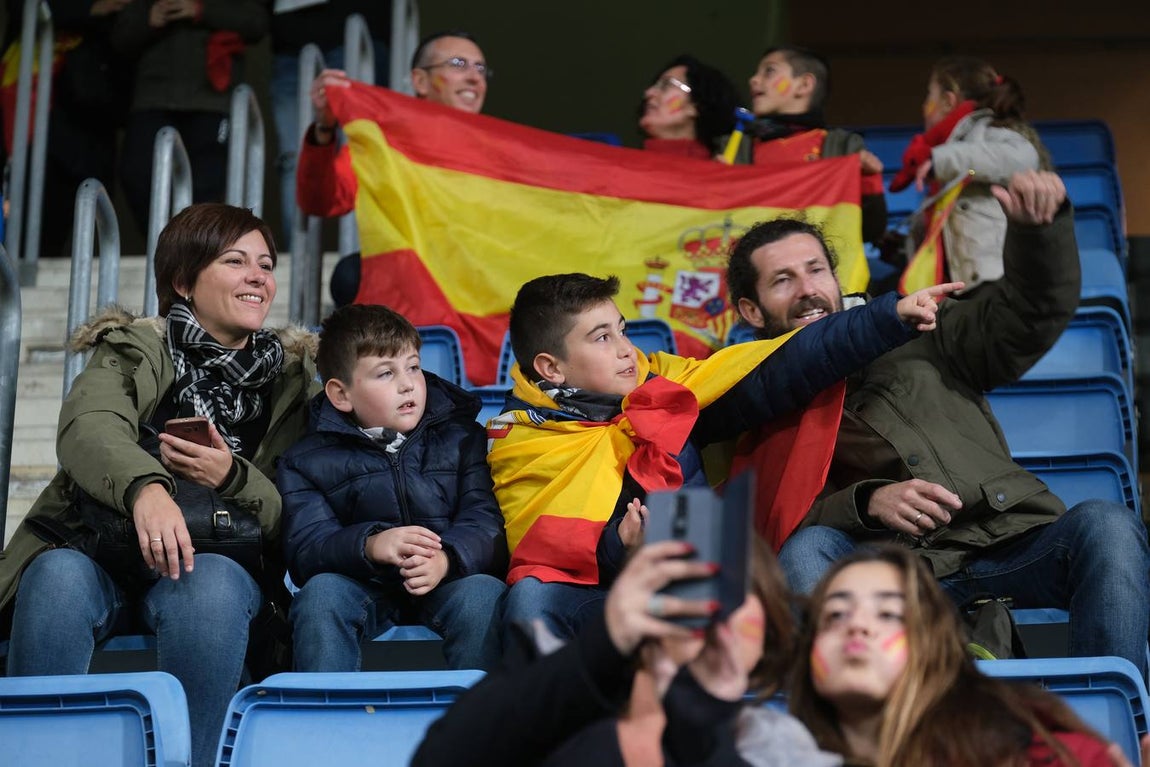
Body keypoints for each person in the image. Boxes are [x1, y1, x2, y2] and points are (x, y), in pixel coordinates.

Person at [726, 170, 1150, 678]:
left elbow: (1029, 315)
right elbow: (766, 521)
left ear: (838, 280)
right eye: (782, 280)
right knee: (806, 549)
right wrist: (867, 503)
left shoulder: (920, 327)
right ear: (751, 309)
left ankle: (1111, 718)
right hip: (886, 571)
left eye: (816, 271)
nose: (807, 291)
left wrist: (1039, 235)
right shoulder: (746, 393)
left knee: (1108, 524)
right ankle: (867, 727)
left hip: (1006, 541)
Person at [0, 203, 319, 767]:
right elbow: (88, 427)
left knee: (210, 582)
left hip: (220, 569)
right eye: (234, 260)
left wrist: (231, 476)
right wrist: (147, 489)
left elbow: (294, 507)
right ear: (183, 282)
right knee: (55, 573)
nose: (258, 276)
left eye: (265, 264)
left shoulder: (296, 380)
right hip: (103, 550)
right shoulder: (134, 348)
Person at [491, 269, 961, 645]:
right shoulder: (520, 438)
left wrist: (885, 318)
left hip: (692, 588)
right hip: (592, 597)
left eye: (622, 330)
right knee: (531, 597)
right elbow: (534, 542)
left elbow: (782, 365)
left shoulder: (669, 385)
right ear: (551, 367)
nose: (626, 352)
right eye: (601, 338)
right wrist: (619, 544)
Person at [414, 537, 841, 767]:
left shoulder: (778, 748)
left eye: (734, 599)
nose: (713, 618)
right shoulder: (554, 695)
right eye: (688, 596)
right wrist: (607, 642)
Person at [277, 303, 507, 671]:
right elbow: (307, 548)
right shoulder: (305, 460)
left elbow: (486, 520)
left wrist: (446, 558)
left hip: (448, 577)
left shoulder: (463, 438)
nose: (408, 383)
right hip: (363, 583)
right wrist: (370, 545)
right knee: (320, 598)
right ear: (341, 395)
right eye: (385, 373)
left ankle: (484, 722)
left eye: (413, 367)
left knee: (484, 596)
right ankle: (324, 720)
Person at [790, 544, 1119, 766]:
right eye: (835, 615)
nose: (857, 625)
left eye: (888, 613)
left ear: (933, 647)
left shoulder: (1038, 757)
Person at [887, 56, 1050, 290]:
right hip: (957, 293)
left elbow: (1023, 157)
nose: (924, 106)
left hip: (993, 289)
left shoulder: (987, 132)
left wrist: (942, 159)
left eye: (928, 96)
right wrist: (904, 245)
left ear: (947, 101)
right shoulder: (951, 150)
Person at [111, 0, 268, 241]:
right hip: (153, 97)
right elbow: (119, 38)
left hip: (213, 98)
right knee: (136, 173)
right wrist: (149, 17)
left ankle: (193, 253)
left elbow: (257, 23)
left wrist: (201, 10)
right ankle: (167, 248)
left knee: (206, 186)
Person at [296, 30, 489, 220]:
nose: (475, 77)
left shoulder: (497, 153)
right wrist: (324, 128)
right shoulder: (386, 145)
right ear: (420, 81)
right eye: (458, 64)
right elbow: (320, 202)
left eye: (480, 68)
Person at [738, 45, 887, 245]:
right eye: (757, 73)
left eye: (769, 71)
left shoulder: (841, 147)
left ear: (804, 85)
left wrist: (869, 182)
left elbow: (870, 231)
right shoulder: (739, 148)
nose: (754, 79)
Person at [269, 1, 391, 245]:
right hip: (290, 39)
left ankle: (359, 250)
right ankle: (299, 254)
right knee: (295, 159)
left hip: (359, 27)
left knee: (362, 153)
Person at [638, 54, 742, 160]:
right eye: (655, 86)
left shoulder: (719, 172)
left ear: (696, 104)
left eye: (666, 85)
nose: (649, 93)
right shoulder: (625, 163)